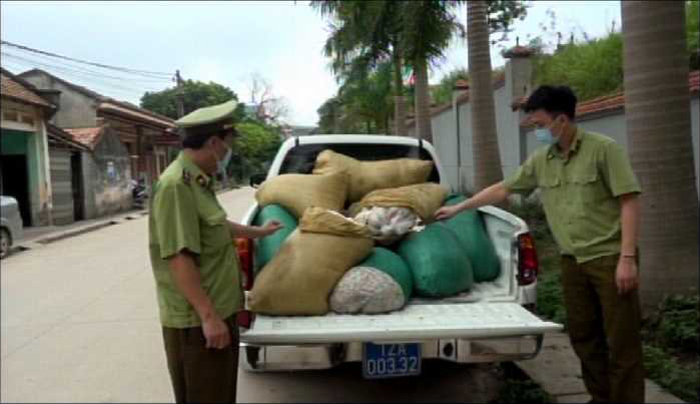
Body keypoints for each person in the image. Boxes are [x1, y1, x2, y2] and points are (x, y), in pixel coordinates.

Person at [435, 85, 645, 403]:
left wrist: (627, 258)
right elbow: (504, 188)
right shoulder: (542, 160)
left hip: (610, 257)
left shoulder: (604, 150)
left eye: (539, 124)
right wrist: (459, 208)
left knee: (621, 342)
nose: (537, 131)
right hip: (572, 261)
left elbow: (629, 201)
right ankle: (601, 398)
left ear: (561, 119)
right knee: (584, 337)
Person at [148, 100, 283, 403]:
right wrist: (209, 317)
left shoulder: (197, 179)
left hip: (218, 312)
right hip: (197, 322)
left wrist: (260, 232)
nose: (226, 154)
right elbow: (179, 257)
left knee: (219, 394)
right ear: (212, 142)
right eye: (227, 145)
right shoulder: (176, 186)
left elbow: (217, 225)